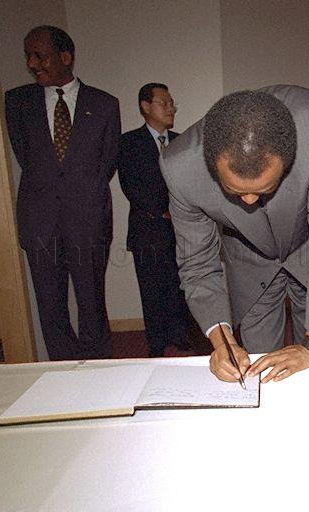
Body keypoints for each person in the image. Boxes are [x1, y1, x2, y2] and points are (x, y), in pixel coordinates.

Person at [161, 86, 309, 383]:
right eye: (235, 191)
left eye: (264, 189)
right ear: (212, 165)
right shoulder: (180, 168)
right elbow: (198, 263)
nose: (250, 201)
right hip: (248, 256)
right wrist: (222, 340)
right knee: (256, 371)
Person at [5, 25, 120, 360]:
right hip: (39, 220)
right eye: (28, 55)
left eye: (39, 55)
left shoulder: (103, 104)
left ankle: (99, 367)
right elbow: (25, 155)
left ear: (65, 57)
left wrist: (79, 194)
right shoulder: (17, 102)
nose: (32, 63)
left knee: (91, 300)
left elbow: (107, 162)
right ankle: (62, 370)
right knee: (50, 304)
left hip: (88, 220)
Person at [118, 83, 190, 357]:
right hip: (147, 227)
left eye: (172, 103)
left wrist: (181, 210)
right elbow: (131, 186)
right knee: (151, 286)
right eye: (164, 103)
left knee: (180, 283)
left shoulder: (182, 141)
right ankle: (157, 341)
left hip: (181, 227)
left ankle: (180, 334)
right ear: (146, 107)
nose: (171, 108)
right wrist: (164, 209)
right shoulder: (128, 143)